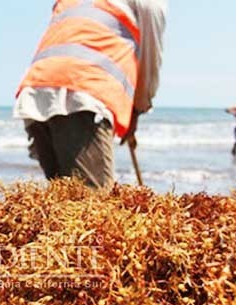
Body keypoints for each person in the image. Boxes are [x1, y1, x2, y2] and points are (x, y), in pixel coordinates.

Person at [14, 0, 167, 189]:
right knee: (94, 209)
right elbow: (151, 56)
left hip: (37, 92)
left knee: (64, 204)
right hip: (82, 92)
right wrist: (138, 108)